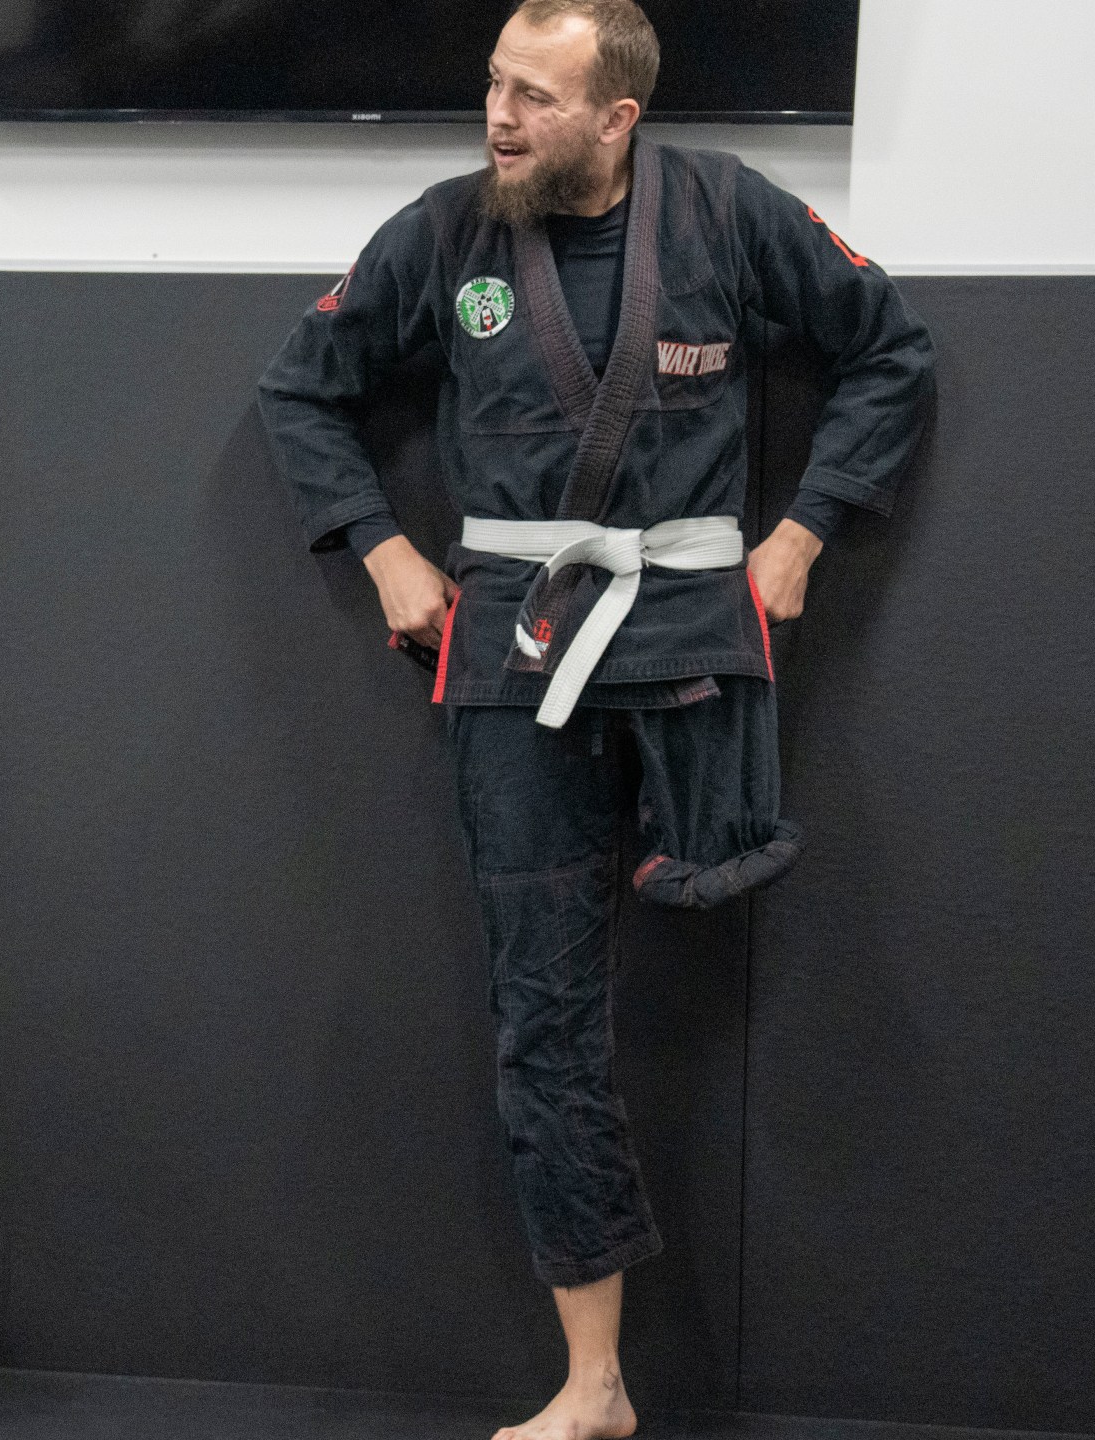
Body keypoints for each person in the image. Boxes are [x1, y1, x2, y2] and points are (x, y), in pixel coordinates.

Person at [256, 3, 931, 1438]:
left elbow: (890, 351)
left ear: (620, 115)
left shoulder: (730, 215)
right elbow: (302, 391)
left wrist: (803, 535)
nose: (498, 114)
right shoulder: (444, 236)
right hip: (513, 657)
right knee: (542, 1022)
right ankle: (595, 1384)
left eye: (537, 97)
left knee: (742, 964)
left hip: (694, 635)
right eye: (495, 83)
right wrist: (380, 543)